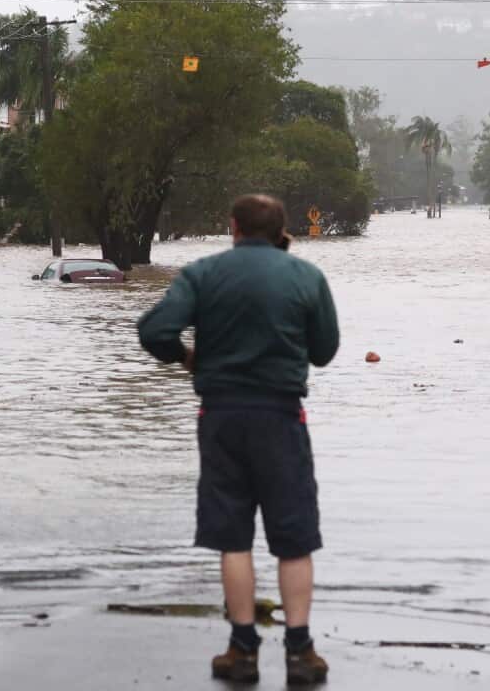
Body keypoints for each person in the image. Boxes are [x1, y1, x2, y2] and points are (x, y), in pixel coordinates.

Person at [137, 194, 340, 685]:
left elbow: (154, 329)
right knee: (293, 539)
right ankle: (300, 651)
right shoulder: (306, 277)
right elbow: (325, 350)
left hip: (221, 418)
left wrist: (187, 357)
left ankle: (242, 649)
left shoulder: (203, 273)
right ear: (281, 229)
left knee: (233, 537)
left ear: (233, 227)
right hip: (282, 418)